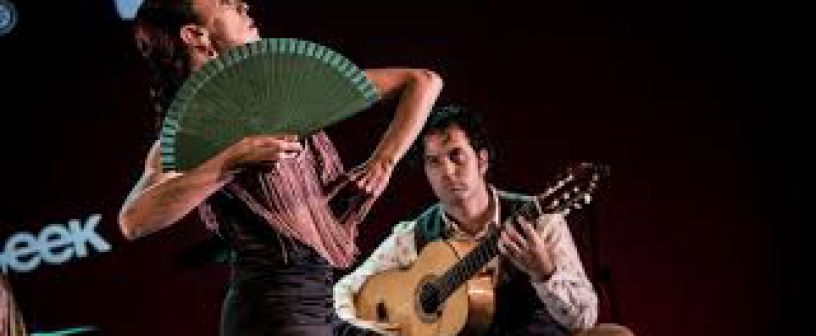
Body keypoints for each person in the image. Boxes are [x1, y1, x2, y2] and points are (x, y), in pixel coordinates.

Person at [119, 0, 443, 335]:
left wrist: (383, 162)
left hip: (320, 301)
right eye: (223, 2)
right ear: (195, 35)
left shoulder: (282, 97)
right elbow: (134, 220)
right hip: (274, 312)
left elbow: (422, 82)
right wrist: (231, 161)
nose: (241, 4)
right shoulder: (194, 134)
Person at [334, 105, 633, 336]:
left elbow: (584, 318)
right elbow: (343, 291)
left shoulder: (541, 222)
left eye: (456, 156)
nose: (447, 172)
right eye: (433, 161)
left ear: (482, 159)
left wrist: (545, 273)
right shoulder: (411, 236)